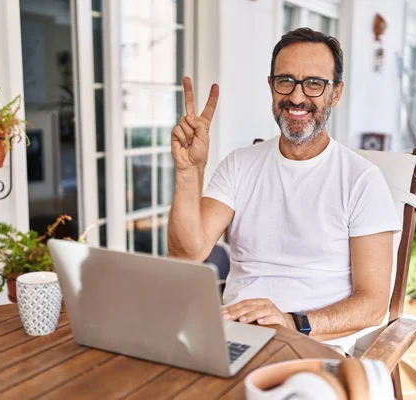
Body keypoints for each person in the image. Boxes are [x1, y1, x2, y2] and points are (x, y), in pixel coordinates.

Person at [167, 28, 400, 354]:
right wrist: (189, 171)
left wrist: (293, 323)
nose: (297, 97)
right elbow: (186, 254)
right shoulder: (240, 165)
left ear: (336, 93)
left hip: (313, 347)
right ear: (271, 86)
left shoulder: (362, 180)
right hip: (234, 336)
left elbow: (374, 305)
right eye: (286, 80)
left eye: (314, 83)